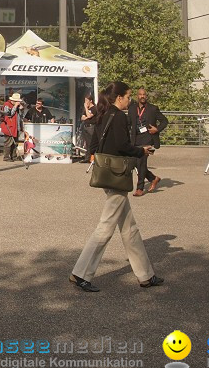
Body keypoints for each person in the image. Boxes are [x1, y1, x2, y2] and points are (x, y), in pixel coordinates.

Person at [70, 81, 162, 293]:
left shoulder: (102, 115)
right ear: (118, 97)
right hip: (118, 176)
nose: (129, 100)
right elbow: (123, 145)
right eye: (128, 96)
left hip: (106, 174)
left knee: (130, 229)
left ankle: (146, 275)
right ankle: (80, 273)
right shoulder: (119, 116)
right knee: (106, 227)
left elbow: (93, 146)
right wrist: (141, 151)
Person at [127, 88, 168, 196]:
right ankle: (153, 178)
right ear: (137, 96)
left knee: (141, 162)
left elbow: (165, 121)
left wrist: (157, 129)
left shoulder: (153, 109)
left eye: (144, 94)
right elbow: (128, 123)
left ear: (147, 96)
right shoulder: (131, 108)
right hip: (135, 139)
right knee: (135, 163)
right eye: (140, 94)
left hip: (148, 138)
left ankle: (139, 188)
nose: (142, 96)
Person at [0, 93, 23, 162]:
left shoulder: (16, 106)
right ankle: (6, 157)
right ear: (13, 100)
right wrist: (15, 106)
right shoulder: (7, 104)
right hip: (9, 126)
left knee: (15, 142)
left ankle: (14, 156)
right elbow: (9, 114)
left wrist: (21, 109)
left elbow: (20, 115)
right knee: (8, 142)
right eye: (17, 101)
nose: (18, 103)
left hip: (16, 126)